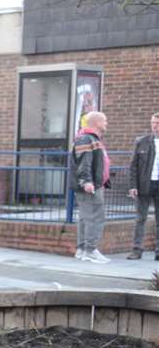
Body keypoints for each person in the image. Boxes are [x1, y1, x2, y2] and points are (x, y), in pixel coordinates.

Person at [73, 110, 110, 263]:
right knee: (95, 217)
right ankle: (90, 250)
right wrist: (87, 181)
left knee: (85, 218)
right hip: (91, 186)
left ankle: (82, 249)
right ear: (97, 123)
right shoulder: (86, 138)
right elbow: (84, 162)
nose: (107, 123)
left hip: (93, 184)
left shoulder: (89, 138)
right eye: (105, 120)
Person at [128, 113, 159, 259]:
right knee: (140, 218)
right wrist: (132, 186)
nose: (154, 126)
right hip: (144, 185)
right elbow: (133, 165)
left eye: (157, 123)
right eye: (153, 123)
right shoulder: (141, 141)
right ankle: (136, 250)